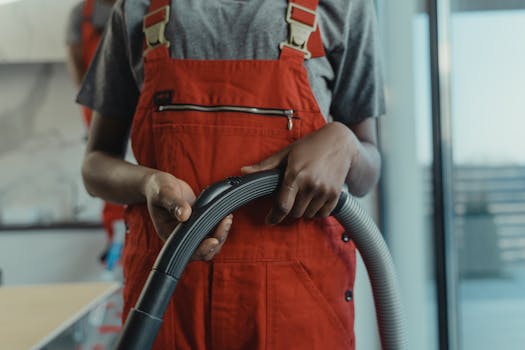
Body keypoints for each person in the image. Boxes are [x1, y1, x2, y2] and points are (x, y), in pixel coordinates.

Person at [78, 0, 384, 348]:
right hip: (166, 308)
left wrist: (346, 144)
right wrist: (148, 184)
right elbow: (95, 165)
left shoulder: (342, 8)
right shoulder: (137, 9)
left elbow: (366, 172)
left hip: (297, 313)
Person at [66, 0, 125, 265]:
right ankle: (117, 240)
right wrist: (101, 100)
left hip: (138, 104)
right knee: (108, 179)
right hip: (100, 105)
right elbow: (77, 66)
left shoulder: (140, 7)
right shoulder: (81, 15)